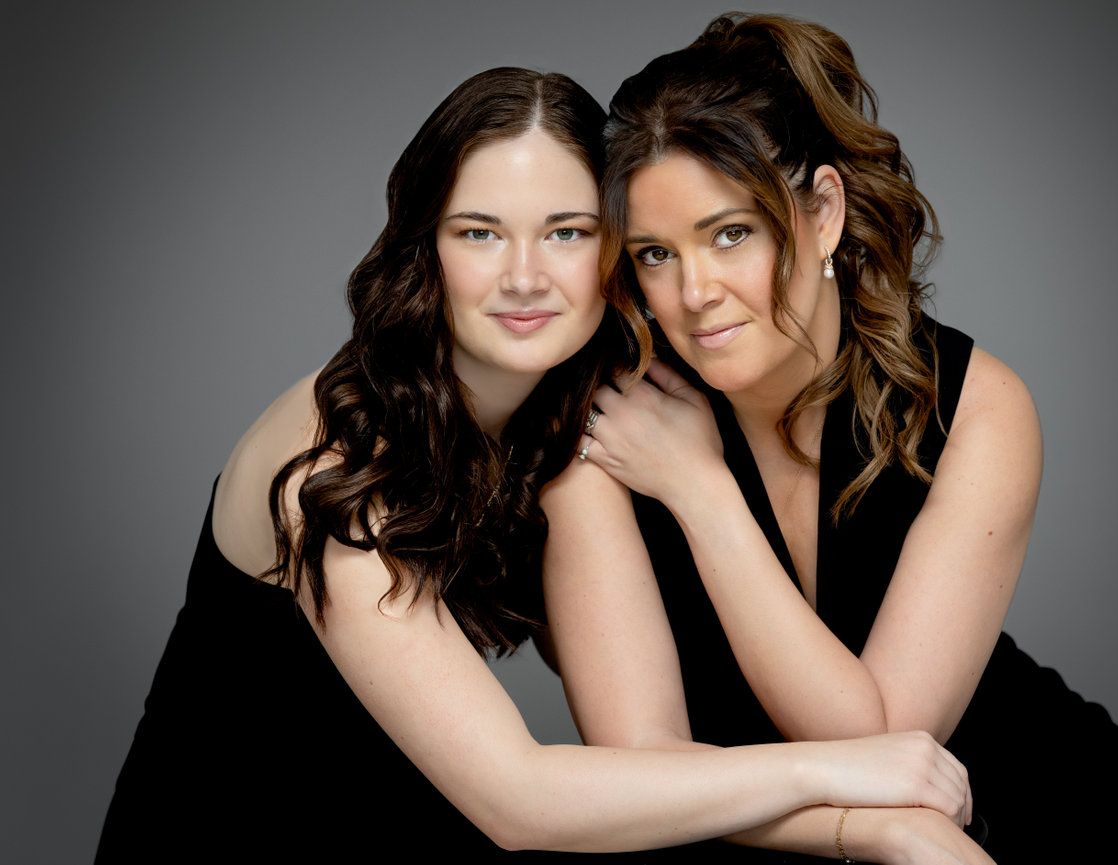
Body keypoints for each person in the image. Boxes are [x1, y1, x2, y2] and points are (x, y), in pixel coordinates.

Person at [95, 66, 978, 862]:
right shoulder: (333, 457)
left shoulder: (574, 419)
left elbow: (651, 753)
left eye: (566, 232)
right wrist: (848, 776)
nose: (524, 276)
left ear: (616, 252)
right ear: (424, 250)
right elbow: (522, 800)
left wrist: (875, 824)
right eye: (480, 233)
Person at [542, 14, 1118, 865]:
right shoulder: (610, 421)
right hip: (792, 824)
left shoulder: (977, 405)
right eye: (657, 253)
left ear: (823, 214)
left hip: (1016, 778)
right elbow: (642, 768)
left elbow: (883, 739)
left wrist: (702, 490)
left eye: (731, 232)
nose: (694, 291)